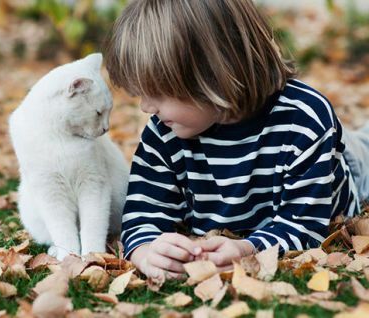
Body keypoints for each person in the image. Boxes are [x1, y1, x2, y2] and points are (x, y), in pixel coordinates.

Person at [104, 0, 368, 280]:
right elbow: (142, 213)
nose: (146, 107)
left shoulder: (303, 120)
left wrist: (247, 248)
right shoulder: (164, 132)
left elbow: (304, 226)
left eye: (157, 93)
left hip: (342, 166)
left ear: (213, 76)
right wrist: (146, 251)